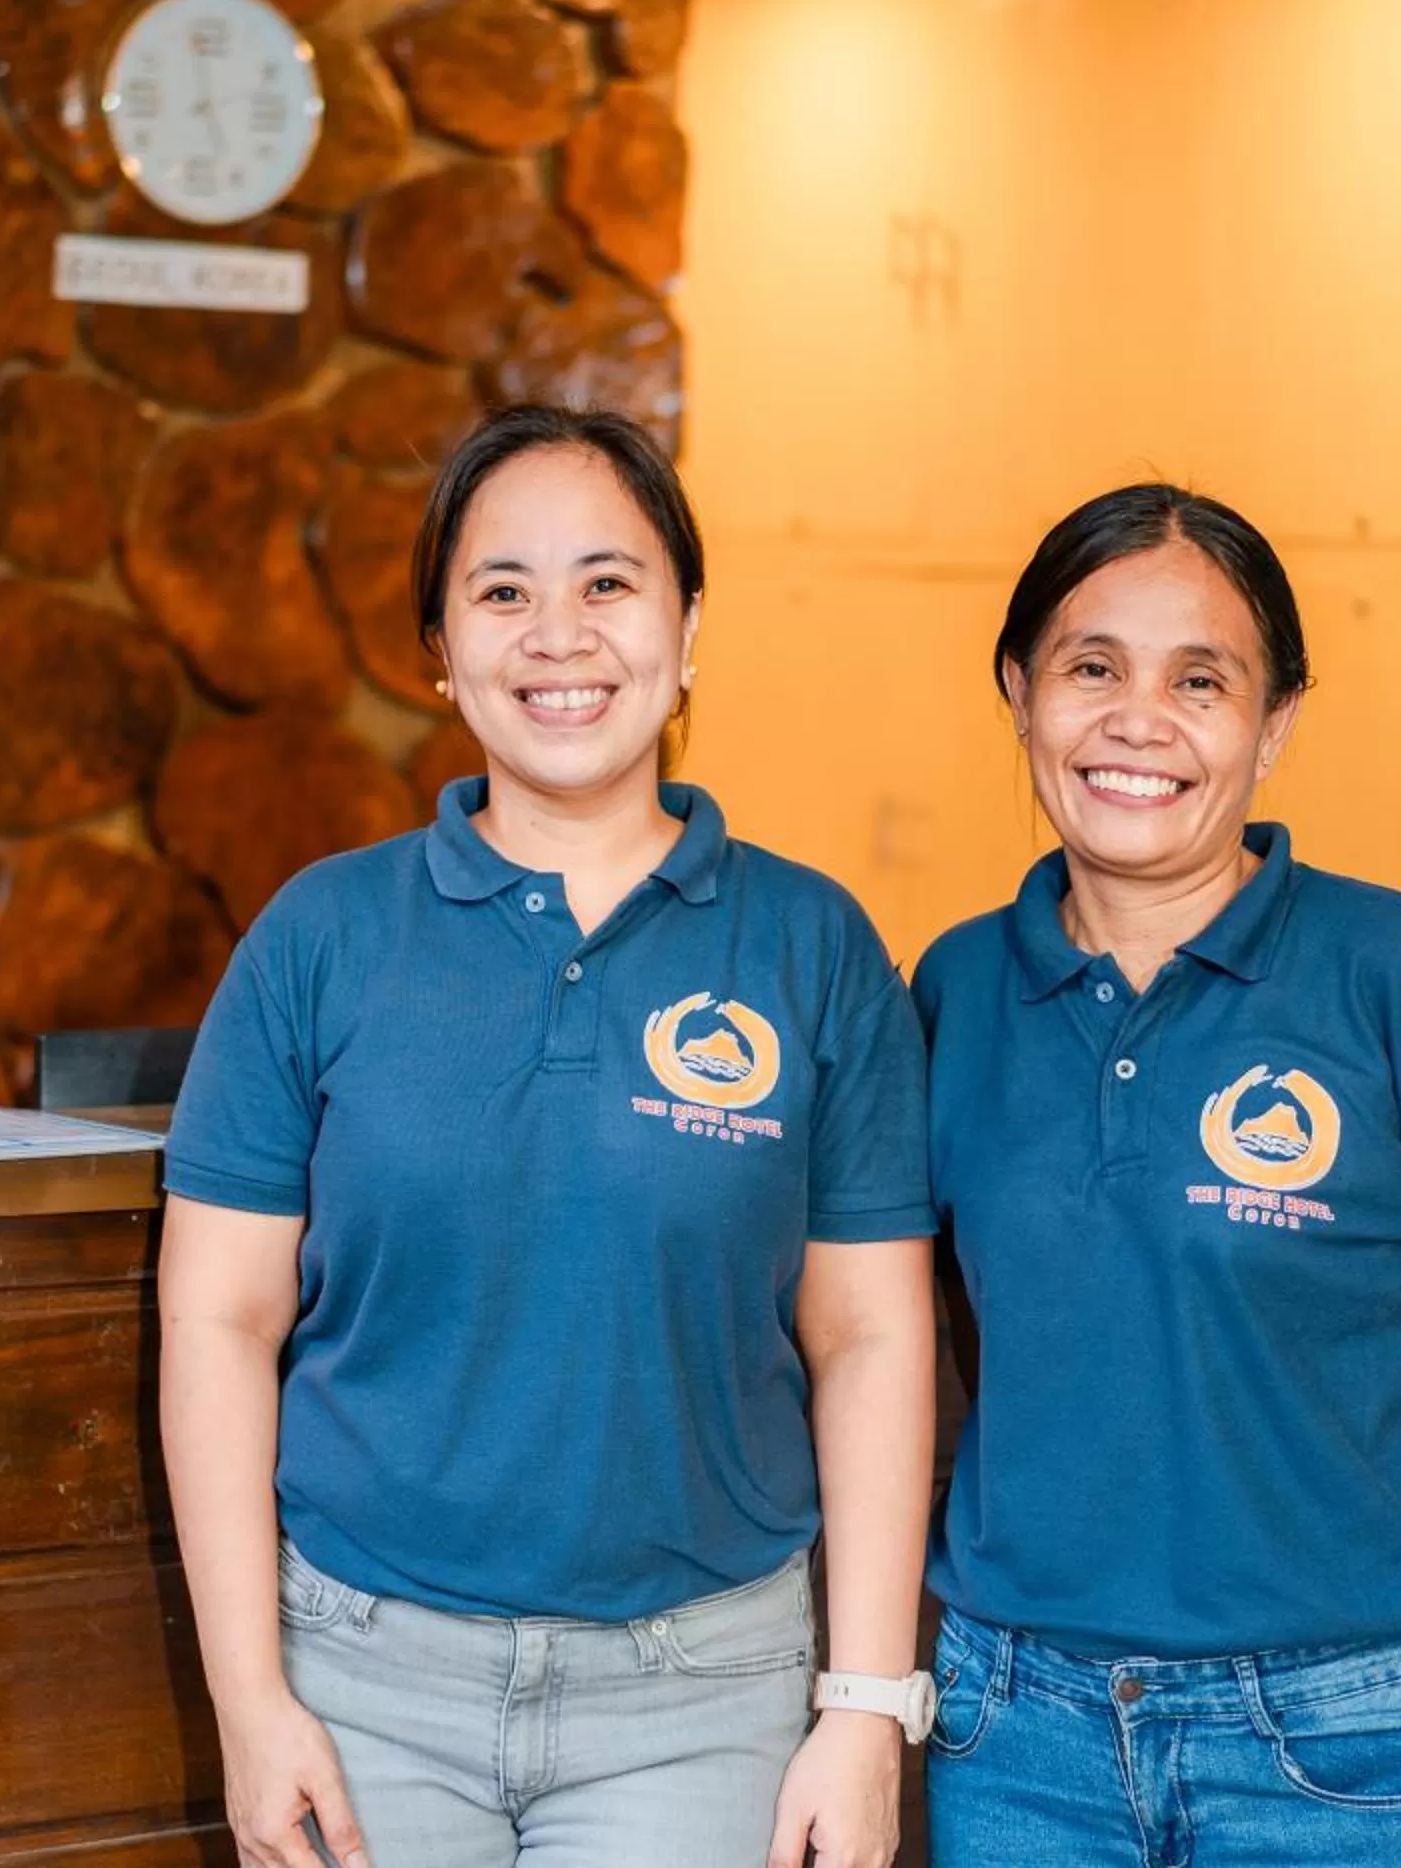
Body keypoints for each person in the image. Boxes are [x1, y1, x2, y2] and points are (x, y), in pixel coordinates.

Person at [159, 406, 941, 1868]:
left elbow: (870, 1337)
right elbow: (219, 1317)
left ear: (687, 630)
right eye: (503, 590)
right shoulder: (320, 936)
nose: (558, 635)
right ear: (442, 651)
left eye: (609, 582)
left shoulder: (812, 945)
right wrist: (249, 1698)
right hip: (363, 1682)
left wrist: (865, 1708)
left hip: (701, 1696)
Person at [914, 483, 1401, 1865]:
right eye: (1091, 668)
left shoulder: (1396, 973)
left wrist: (1399, 1628)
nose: (1138, 721)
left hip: (1341, 1733)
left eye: (1200, 681)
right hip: (1018, 1729)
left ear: (1273, 726)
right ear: (1019, 693)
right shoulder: (956, 987)